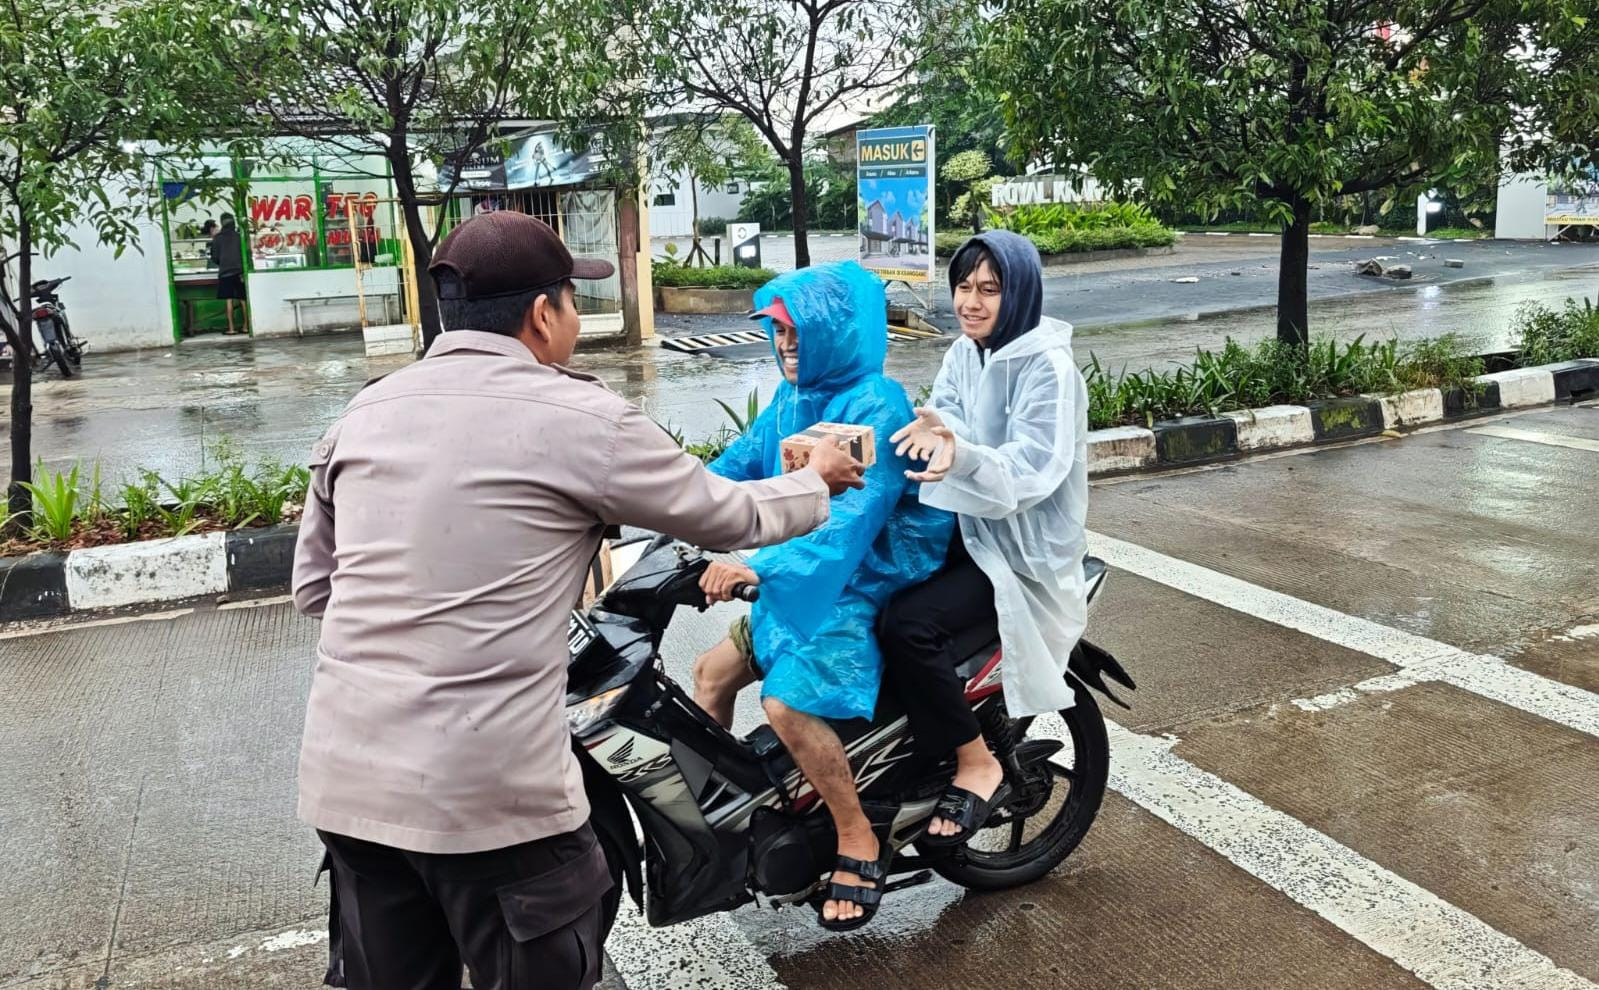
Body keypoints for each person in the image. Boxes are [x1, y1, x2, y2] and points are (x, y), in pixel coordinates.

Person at [291, 211, 865, 990]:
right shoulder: (581, 417)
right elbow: (729, 514)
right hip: (493, 793)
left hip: (350, 784)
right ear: (542, 313)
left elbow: (316, 589)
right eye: (571, 299)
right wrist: (815, 478)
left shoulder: (364, 412)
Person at [690, 261, 951, 931]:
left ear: (834, 333)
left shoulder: (876, 404)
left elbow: (849, 525)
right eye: (778, 333)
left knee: (786, 705)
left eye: (798, 333)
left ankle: (855, 834)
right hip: (801, 572)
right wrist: (665, 504)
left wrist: (754, 566)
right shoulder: (791, 400)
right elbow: (734, 467)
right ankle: (714, 825)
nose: (785, 346)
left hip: (865, 575)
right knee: (710, 675)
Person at [883, 230, 1089, 848]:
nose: (970, 302)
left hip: (1021, 549)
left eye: (989, 289)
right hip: (968, 522)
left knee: (908, 625)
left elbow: (1033, 468)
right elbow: (945, 415)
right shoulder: (966, 351)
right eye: (963, 286)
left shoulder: (1047, 366)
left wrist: (962, 454)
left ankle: (976, 761)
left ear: (1018, 293)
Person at [208, 212, 247, 335]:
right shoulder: (239, 236)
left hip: (225, 272)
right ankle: (246, 326)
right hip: (240, 272)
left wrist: (223, 262)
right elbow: (246, 253)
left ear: (222, 223)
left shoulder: (218, 238)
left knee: (229, 300)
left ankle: (231, 328)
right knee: (243, 300)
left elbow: (214, 258)